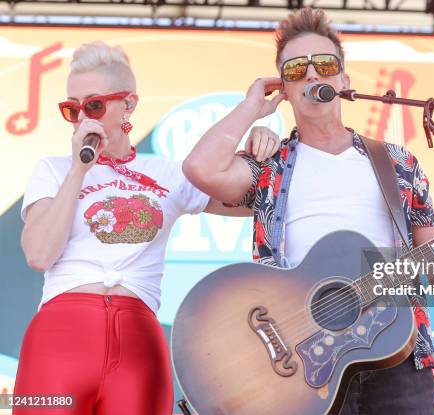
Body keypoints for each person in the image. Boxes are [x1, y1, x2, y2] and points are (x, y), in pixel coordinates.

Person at [183, 8, 434, 414]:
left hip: (398, 353)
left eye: (324, 65)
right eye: (294, 71)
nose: (311, 76)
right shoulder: (269, 166)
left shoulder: (397, 163)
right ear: (284, 89)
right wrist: (252, 108)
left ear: (344, 80)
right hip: (302, 369)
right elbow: (201, 169)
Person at [15, 41, 280, 415]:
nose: (82, 119)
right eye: (71, 109)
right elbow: (39, 254)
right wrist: (79, 169)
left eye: (93, 105)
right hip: (59, 340)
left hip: (138, 344)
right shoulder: (54, 169)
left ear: (129, 104)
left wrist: (260, 147)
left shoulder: (169, 174)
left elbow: (267, 201)